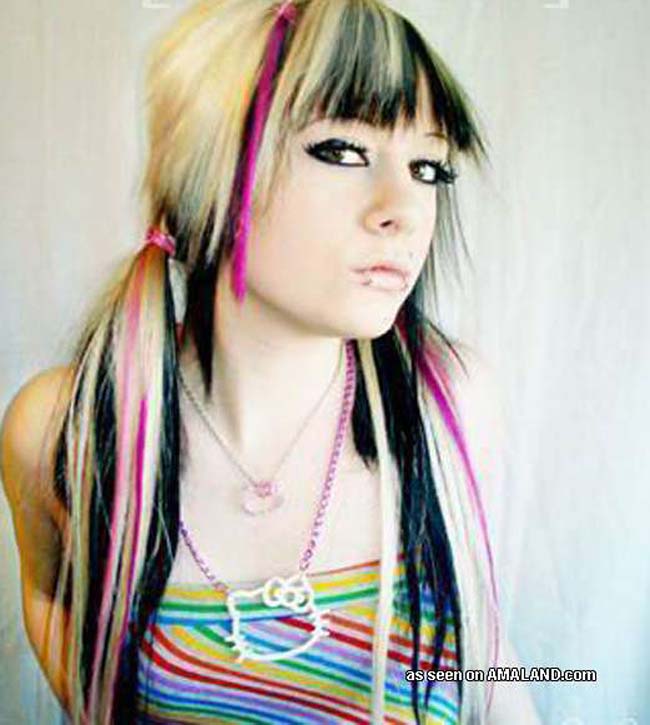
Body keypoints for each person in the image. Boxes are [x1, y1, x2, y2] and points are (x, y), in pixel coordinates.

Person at [1, 0, 540, 723]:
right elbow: (52, 597)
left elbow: (486, 656)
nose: (405, 209)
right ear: (210, 170)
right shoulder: (65, 431)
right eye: (341, 151)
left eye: (428, 167)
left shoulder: (449, 407)